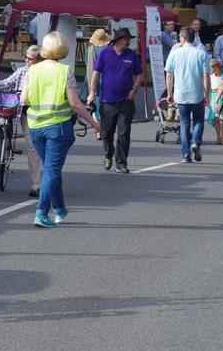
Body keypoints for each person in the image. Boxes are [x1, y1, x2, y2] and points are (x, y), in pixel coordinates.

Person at [22, 31, 100, 227]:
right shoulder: (65, 71)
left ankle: (59, 208)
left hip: (36, 127)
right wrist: (94, 123)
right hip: (58, 127)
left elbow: (24, 99)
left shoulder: (32, 70)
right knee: (52, 170)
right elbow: (75, 104)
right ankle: (41, 212)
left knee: (50, 169)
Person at [0, 44, 44, 198]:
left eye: (31, 59)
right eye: (26, 58)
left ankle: (36, 185)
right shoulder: (22, 72)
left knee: (31, 146)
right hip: (16, 107)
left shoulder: (43, 74)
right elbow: (7, 83)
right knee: (1, 122)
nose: (27, 61)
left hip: (34, 112)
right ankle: (1, 148)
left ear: (38, 61)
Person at [87, 27, 143, 174]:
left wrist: (134, 90)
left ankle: (121, 163)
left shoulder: (132, 56)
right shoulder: (105, 54)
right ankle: (108, 154)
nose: (128, 41)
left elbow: (139, 75)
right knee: (107, 132)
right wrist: (92, 93)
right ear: (118, 40)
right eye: (126, 39)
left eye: (129, 39)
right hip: (108, 101)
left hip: (126, 101)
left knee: (124, 133)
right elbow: (95, 74)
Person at [164, 27, 210, 163]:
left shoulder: (175, 53)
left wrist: (169, 93)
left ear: (183, 38)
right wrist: (207, 94)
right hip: (197, 93)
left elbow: (169, 74)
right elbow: (206, 75)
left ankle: (185, 154)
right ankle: (195, 142)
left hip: (181, 94)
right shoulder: (201, 53)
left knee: (184, 123)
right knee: (199, 120)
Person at [208, 59, 223, 145]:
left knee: (221, 118)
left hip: (221, 96)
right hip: (213, 96)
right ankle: (218, 136)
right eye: (211, 68)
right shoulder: (211, 77)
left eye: (213, 67)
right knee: (215, 118)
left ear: (218, 67)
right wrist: (208, 99)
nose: (212, 69)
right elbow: (208, 89)